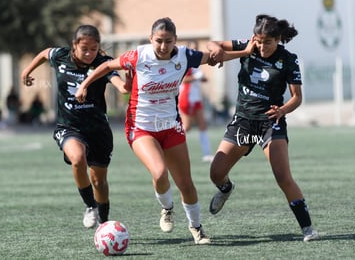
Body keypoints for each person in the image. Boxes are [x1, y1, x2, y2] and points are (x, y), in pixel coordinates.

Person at [75, 17, 253, 244]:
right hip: (141, 127)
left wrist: (245, 52)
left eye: (168, 41)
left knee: (186, 183)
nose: (162, 46)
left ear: (175, 41)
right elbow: (108, 66)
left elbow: (215, 57)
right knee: (159, 173)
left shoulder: (184, 56)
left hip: (171, 126)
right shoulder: (139, 55)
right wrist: (84, 85)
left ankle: (197, 229)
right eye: (158, 41)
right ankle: (167, 208)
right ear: (151, 39)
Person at [207, 14, 319, 242]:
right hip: (243, 121)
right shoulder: (249, 47)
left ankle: (308, 228)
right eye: (258, 41)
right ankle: (226, 189)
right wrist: (241, 52)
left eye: (267, 42)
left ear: (278, 39)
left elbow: (296, 98)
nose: (261, 46)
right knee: (216, 173)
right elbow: (213, 44)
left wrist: (282, 111)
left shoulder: (288, 59)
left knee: (282, 177)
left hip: (271, 122)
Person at [20, 25, 130, 229]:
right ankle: (90, 206)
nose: (89, 53)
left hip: (98, 130)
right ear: (74, 45)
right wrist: (27, 70)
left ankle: (104, 223)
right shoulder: (61, 56)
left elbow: (121, 87)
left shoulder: (103, 63)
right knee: (78, 159)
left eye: (94, 49)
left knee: (99, 182)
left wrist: (129, 82)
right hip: (69, 126)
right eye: (84, 48)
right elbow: (45, 53)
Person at [178, 40, 214, 163]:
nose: (195, 50)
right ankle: (173, 150)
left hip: (196, 98)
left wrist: (201, 78)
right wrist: (195, 77)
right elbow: (182, 79)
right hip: (186, 98)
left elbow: (202, 78)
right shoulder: (184, 62)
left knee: (203, 125)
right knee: (186, 127)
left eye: (196, 48)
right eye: (192, 48)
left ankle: (207, 154)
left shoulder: (196, 63)